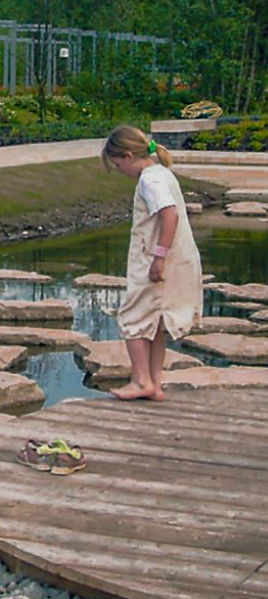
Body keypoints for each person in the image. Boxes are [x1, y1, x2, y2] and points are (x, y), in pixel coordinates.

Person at [102, 125, 202, 401]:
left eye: (118, 163)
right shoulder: (162, 173)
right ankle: (155, 383)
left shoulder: (150, 180)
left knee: (132, 318)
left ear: (129, 155)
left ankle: (141, 380)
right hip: (170, 257)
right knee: (154, 321)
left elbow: (169, 216)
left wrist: (159, 256)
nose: (118, 168)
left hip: (154, 259)